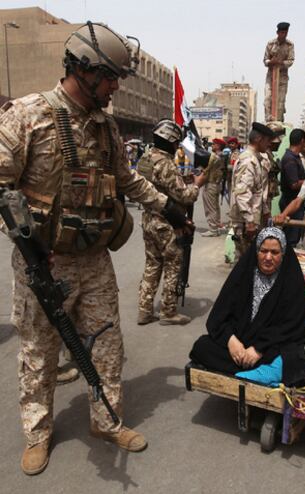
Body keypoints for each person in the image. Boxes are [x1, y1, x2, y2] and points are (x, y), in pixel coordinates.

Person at [0, 22, 189, 475]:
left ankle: (106, 420)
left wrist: (169, 206)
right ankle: (38, 433)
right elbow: (2, 186)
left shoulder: (106, 128)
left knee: (106, 344)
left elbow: (127, 180)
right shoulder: (27, 115)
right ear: (83, 70)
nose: (116, 86)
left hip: (94, 259)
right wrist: (28, 247)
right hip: (42, 262)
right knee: (40, 351)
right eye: (110, 76)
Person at [190, 227, 305, 387]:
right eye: (263, 251)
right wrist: (231, 341)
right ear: (256, 251)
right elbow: (218, 317)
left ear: (283, 254)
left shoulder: (291, 280)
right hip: (239, 345)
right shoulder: (244, 274)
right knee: (202, 347)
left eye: (274, 252)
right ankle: (257, 375)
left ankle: (257, 373)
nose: (268, 257)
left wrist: (258, 349)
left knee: (293, 359)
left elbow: (293, 327)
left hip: (269, 348)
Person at [137, 119, 206, 325]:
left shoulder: (147, 158)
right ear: (171, 142)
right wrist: (197, 185)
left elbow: (159, 184)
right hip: (167, 222)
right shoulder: (165, 163)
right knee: (172, 265)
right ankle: (168, 312)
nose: (177, 147)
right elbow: (185, 196)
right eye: (176, 143)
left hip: (149, 219)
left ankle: (144, 309)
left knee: (152, 264)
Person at [230, 123, 276, 260]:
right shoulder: (248, 160)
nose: (269, 145)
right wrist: (250, 221)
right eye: (267, 141)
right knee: (245, 264)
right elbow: (242, 193)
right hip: (246, 223)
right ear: (258, 139)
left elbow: (259, 190)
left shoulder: (256, 159)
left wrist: (266, 212)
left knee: (251, 263)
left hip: (253, 221)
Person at [279, 128, 305, 247]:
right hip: (291, 203)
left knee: (293, 236)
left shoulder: (294, 157)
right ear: (302, 141)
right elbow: (294, 184)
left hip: (295, 202)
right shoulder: (290, 158)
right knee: (291, 239)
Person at [263, 22, 295, 122]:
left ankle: (279, 121)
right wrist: (271, 62)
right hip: (271, 75)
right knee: (267, 99)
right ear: (278, 32)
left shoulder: (290, 45)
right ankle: (268, 121)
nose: (283, 34)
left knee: (280, 103)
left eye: (285, 32)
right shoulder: (270, 43)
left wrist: (281, 63)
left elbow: (291, 61)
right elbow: (265, 60)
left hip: (282, 76)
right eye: (282, 32)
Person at [201, 138, 226, 237]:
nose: (212, 146)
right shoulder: (222, 156)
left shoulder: (214, 157)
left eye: (214, 144)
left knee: (210, 208)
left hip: (210, 184)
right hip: (216, 184)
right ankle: (216, 226)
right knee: (215, 207)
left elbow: (206, 169)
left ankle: (213, 229)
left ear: (218, 146)